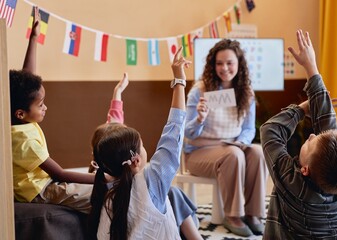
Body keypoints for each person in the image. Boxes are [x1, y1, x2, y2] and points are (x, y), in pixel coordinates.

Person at [88, 47, 202, 240]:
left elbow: (111, 138)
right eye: (141, 145)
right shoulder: (152, 181)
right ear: (135, 160)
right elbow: (174, 131)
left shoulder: (106, 196)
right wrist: (179, 81)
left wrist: (118, 94)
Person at [260, 29, 337, 239]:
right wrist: (311, 67)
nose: (312, 136)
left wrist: (301, 109)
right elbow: (328, 127)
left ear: (304, 170)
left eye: (311, 143)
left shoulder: (291, 183)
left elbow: (270, 130)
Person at [10, 6, 95, 213]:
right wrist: (102, 179)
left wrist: (33, 38)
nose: (45, 107)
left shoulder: (16, 116)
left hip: (43, 182)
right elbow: (60, 175)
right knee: (98, 196)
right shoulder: (24, 141)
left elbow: (27, 76)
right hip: (41, 190)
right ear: (21, 113)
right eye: (40, 105)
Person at [184, 39, 268, 237]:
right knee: (233, 155)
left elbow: (248, 129)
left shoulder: (246, 93)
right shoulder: (200, 90)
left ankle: (253, 214)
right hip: (198, 152)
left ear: (239, 64)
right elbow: (187, 133)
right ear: (213, 66)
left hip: (231, 146)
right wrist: (199, 119)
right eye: (219, 63)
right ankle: (233, 215)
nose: (224, 68)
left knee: (257, 152)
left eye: (229, 63)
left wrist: (242, 143)